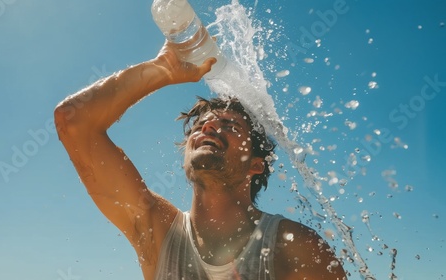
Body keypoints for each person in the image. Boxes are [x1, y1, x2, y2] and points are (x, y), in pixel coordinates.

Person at [54, 40, 347, 279]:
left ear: (257, 164)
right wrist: (161, 70)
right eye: (200, 126)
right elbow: (74, 121)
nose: (208, 127)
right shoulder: (156, 230)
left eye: (231, 127)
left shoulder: (294, 246)